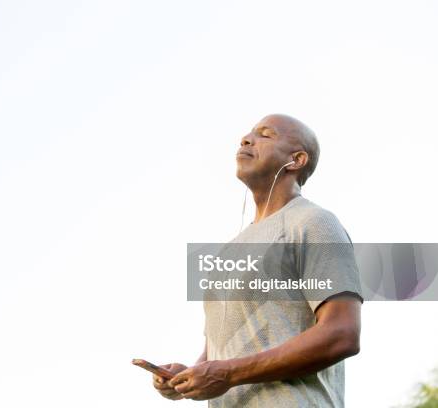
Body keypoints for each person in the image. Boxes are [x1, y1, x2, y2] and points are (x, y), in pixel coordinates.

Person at [153, 114, 363, 407]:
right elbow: (220, 355)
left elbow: (341, 334)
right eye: (248, 133)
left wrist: (228, 373)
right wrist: (189, 375)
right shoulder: (227, 253)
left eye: (266, 135)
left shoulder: (313, 223)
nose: (246, 139)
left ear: (296, 160)